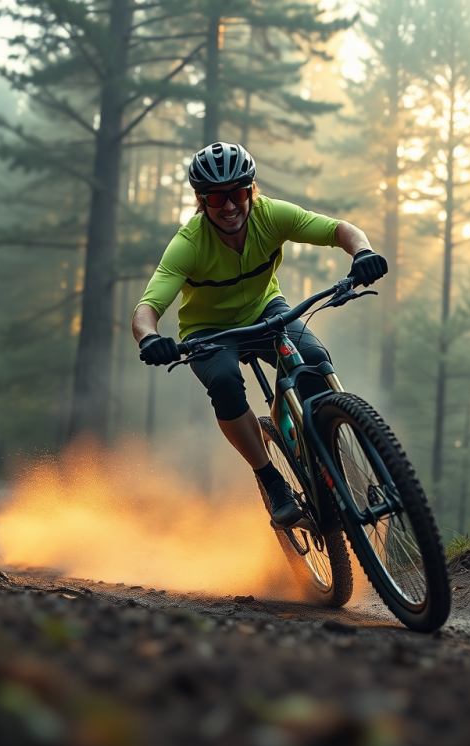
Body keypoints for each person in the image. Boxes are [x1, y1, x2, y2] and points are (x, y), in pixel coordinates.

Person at [132, 142, 387, 527]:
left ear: (250, 189)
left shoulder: (272, 215)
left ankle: (335, 462)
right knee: (224, 382)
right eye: (216, 197)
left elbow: (338, 230)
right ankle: (273, 481)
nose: (229, 206)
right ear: (202, 200)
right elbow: (146, 309)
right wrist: (150, 339)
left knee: (315, 362)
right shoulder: (188, 245)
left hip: (268, 310)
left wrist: (362, 252)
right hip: (210, 331)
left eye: (236, 192)